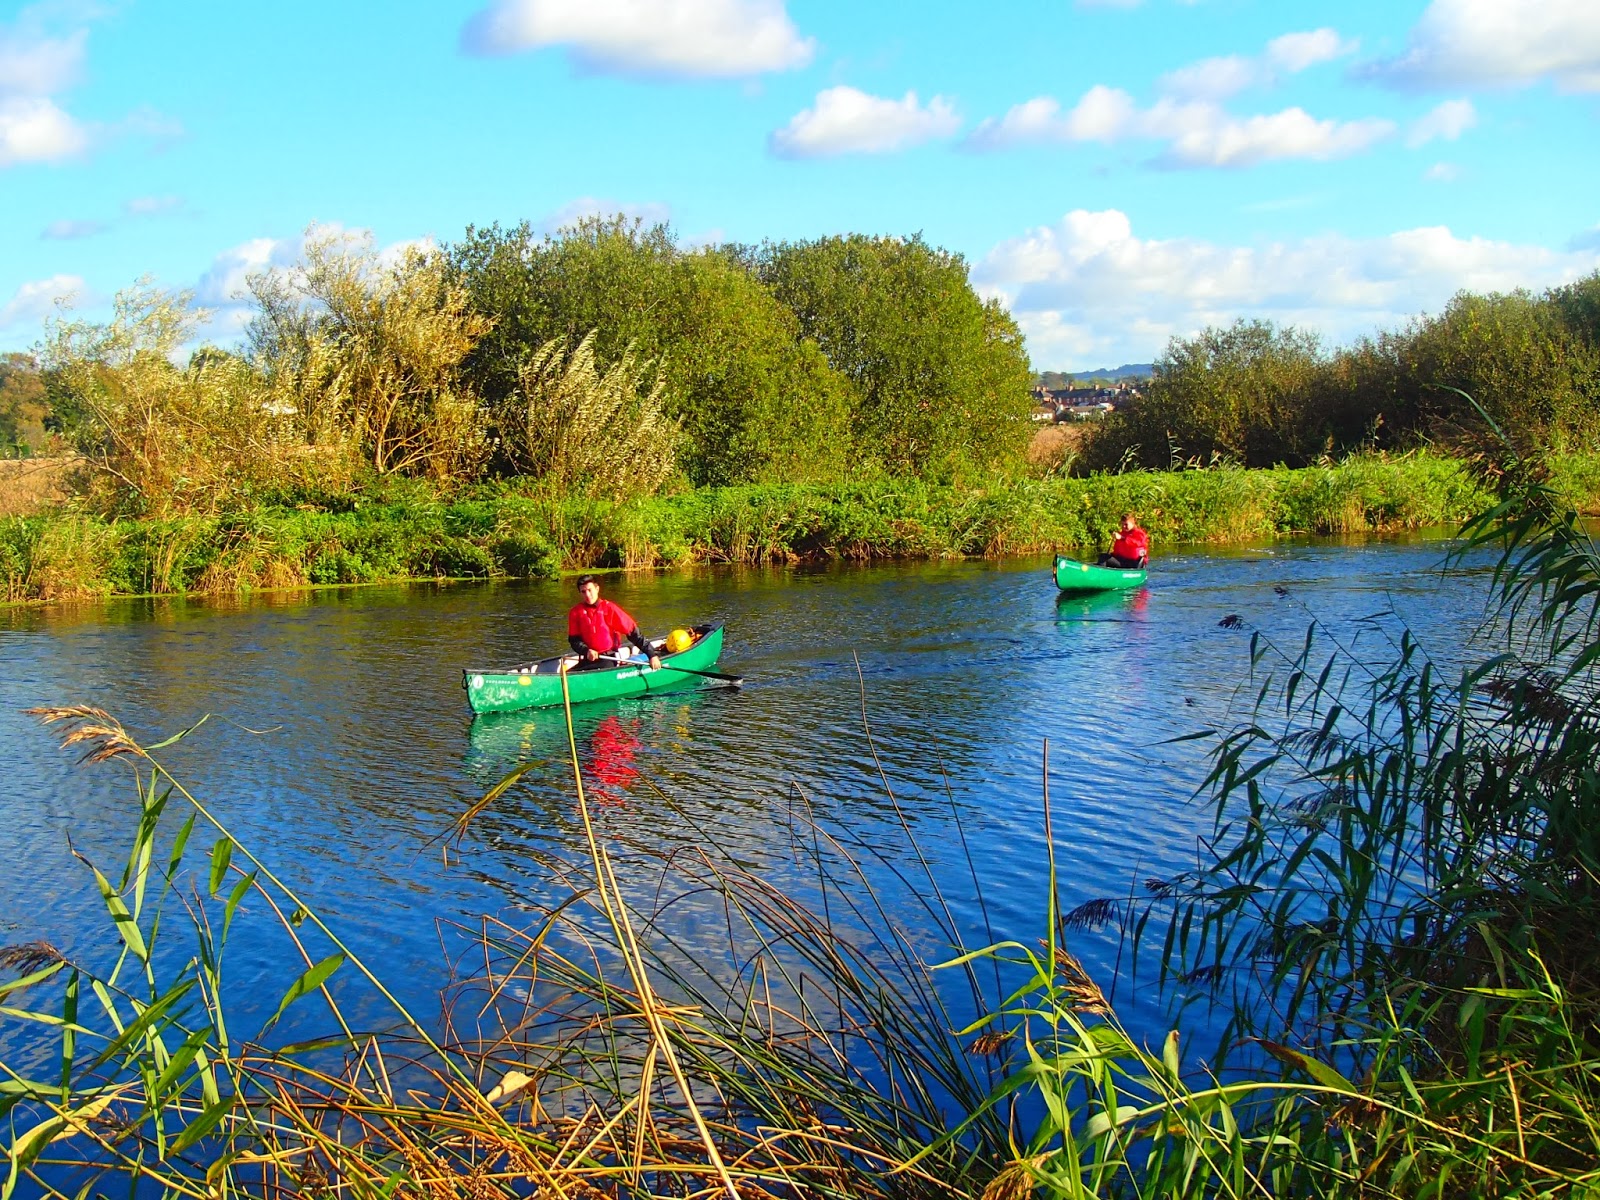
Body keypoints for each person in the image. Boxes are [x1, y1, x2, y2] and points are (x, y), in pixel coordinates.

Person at [565, 575, 662, 671]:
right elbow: (574, 640)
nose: (587, 594)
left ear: (597, 589)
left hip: (608, 659)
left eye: (590, 590)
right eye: (583, 591)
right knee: (567, 674)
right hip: (587, 659)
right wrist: (586, 651)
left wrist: (651, 655)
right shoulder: (575, 612)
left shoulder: (610, 608)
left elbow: (633, 633)